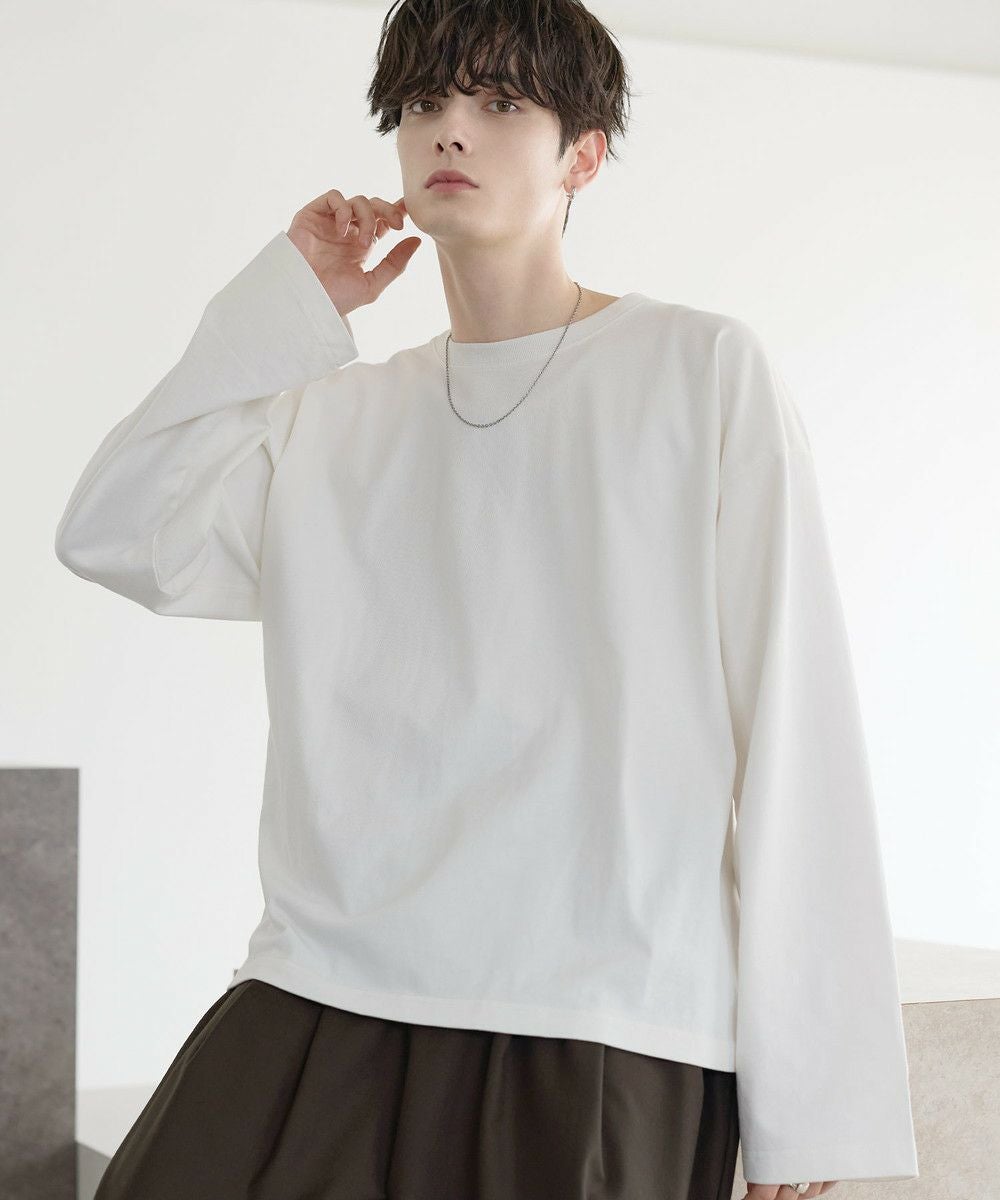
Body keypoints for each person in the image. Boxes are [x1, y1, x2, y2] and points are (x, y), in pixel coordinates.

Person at [54, 1, 918, 1198]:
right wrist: (293, 304)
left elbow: (793, 721)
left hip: (599, 1019)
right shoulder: (335, 417)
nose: (449, 130)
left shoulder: (698, 371)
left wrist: (814, 1101)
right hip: (325, 991)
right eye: (424, 102)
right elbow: (116, 534)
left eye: (500, 102)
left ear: (583, 156)